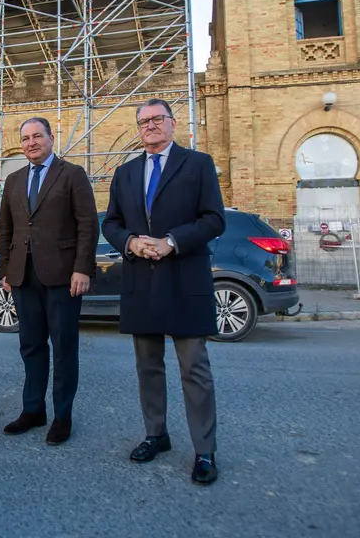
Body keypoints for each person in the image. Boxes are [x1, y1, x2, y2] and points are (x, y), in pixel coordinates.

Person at [101, 98, 226, 485]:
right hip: (142, 281)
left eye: (157, 119)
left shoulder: (198, 164)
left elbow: (214, 219)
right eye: (144, 122)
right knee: (148, 367)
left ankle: (204, 450)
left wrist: (173, 240)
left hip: (184, 278)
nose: (150, 126)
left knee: (194, 368)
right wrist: (131, 242)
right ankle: (156, 434)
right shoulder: (125, 172)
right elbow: (111, 222)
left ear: (173, 124)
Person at [0, 117, 98, 446]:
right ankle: (33, 409)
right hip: (23, 276)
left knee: (64, 348)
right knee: (30, 345)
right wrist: (7, 271)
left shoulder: (72, 175)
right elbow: (6, 230)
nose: (30, 143)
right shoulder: (13, 180)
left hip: (63, 277)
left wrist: (82, 268)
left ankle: (62, 416)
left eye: (37, 136)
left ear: (51, 138)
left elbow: (87, 225)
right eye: (25, 138)